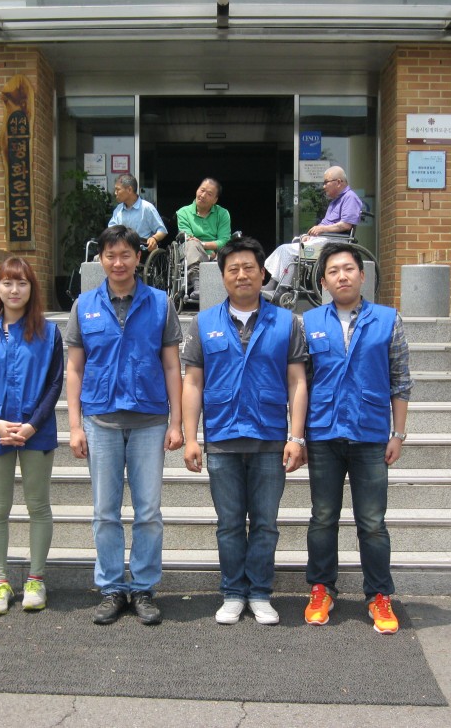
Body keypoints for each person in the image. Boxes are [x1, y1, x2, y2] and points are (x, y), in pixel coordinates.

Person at [181, 235, 308, 625]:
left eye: (249, 267)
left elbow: (297, 381)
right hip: (222, 438)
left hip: (270, 438)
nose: (241, 275)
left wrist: (296, 436)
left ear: (263, 273)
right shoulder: (204, 323)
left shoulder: (286, 322)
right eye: (233, 268)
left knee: (266, 524)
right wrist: (190, 437)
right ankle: (233, 592)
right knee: (230, 524)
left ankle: (260, 592)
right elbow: (193, 382)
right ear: (223, 276)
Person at [65, 224, 184, 625]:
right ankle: (112, 587)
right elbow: (75, 369)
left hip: (150, 419)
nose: (118, 263)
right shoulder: (84, 305)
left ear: (138, 258)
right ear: (100, 259)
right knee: (105, 512)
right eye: (110, 255)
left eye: (125, 255)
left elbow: (172, 365)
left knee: (148, 511)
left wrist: (177, 423)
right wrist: (75, 426)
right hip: (101, 420)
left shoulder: (160, 303)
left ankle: (144, 587)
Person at [301, 242, 412, 634]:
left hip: (370, 434)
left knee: (372, 522)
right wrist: (298, 437)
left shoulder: (388, 320)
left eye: (349, 269)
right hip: (323, 433)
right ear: (323, 281)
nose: (342, 276)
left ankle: (379, 595)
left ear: (363, 276)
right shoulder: (309, 322)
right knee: (323, 517)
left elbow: (401, 380)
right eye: (333, 271)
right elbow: (301, 383)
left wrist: (397, 433)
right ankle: (321, 589)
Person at [0, 257, 63, 616]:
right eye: (7, 282)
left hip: (35, 431)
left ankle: (36, 579)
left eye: (22, 283)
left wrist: (32, 425)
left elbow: (55, 383)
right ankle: (0, 581)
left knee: (38, 506)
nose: (14, 289)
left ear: (31, 289)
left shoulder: (48, 333)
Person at [263, 165, 364, 298]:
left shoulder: (350, 198)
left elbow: (346, 225)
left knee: (288, 250)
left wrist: (322, 229)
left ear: (339, 182)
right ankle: (274, 283)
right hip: (325, 239)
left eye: (326, 182)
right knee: (287, 248)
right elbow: (325, 224)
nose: (323, 186)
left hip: (335, 242)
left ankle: (282, 288)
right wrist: (310, 235)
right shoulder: (334, 202)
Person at [175, 177, 232, 300]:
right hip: (193, 251)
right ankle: (197, 285)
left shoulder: (223, 214)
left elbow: (224, 240)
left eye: (209, 194)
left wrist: (205, 245)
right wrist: (208, 252)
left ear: (215, 200)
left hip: (216, 254)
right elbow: (188, 237)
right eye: (202, 190)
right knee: (191, 243)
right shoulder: (183, 212)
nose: (203, 195)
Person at [108, 173, 167, 252]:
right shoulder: (118, 209)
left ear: (129, 190)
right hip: (121, 251)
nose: (115, 193)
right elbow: (111, 231)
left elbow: (162, 231)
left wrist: (154, 238)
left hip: (141, 251)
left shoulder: (146, 208)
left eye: (118, 189)